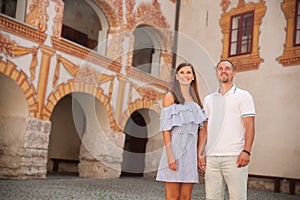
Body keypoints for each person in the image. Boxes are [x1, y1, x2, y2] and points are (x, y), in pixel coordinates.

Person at [198, 59, 255, 200]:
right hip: (211, 158)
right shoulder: (208, 99)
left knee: (237, 197)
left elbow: (250, 126)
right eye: (220, 68)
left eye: (227, 68)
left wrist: (246, 151)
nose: (223, 71)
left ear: (234, 73)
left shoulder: (243, 96)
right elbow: (205, 129)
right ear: (217, 73)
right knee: (211, 198)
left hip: (235, 157)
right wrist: (200, 153)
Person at [156, 62, 207, 200]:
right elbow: (165, 130)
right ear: (177, 76)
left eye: (189, 72)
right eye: (182, 72)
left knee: (186, 197)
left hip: (191, 154)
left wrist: (200, 154)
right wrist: (170, 156)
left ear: (193, 77)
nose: (186, 75)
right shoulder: (170, 97)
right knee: (173, 196)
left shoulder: (197, 102)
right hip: (174, 151)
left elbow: (203, 129)